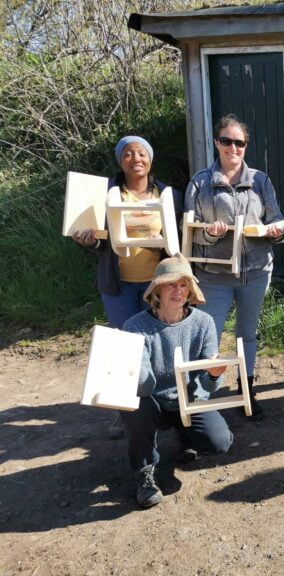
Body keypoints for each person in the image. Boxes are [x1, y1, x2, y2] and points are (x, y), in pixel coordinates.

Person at [72, 135, 183, 439]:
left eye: (142, 153)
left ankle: (164, 407)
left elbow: (177, 239)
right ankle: (126, 412)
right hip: (119, 284)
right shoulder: (106, 194)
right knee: (123, 347)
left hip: (156, 283)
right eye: (128, 154)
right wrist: (89, 239)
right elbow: (98, 240)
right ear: (120, 160)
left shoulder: (167, 195)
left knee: (157, 345)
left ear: (151, 159)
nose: (136, 159)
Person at [185, 115, 284, 418]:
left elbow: (275, 219)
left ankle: (247, 390)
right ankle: (202, 398)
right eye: (226, 141)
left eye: (239, 142)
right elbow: (188, 231)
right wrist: (207, 232)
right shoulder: (200, 182)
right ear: (217, 143)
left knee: (248, 334)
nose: (233, 147)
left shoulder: (260, 180)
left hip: (255, 272)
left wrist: (276, 231)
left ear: (246, 145)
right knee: (209, 337)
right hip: (213, 275)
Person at [121, 254, 233, 508]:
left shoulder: (203, 322)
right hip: (152, 401)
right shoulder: (135, 326)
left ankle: (185, 434)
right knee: (135, 405)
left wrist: (215, 374)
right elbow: (144, 386)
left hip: (189, 399)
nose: (178, 291)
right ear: (156, 290)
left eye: (184, 285)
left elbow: (209, 385)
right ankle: (145, 472)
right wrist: (133, 371)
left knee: (219, 442)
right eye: (171, 284)